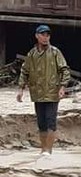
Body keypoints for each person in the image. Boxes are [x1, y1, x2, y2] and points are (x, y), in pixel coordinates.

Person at [16, 24, 70, 162]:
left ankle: (49, 150)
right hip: (37, 93)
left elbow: (64, 69)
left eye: (48, 35)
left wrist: (62, 86)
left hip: (52, 92)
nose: (45, 37)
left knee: (51, 121)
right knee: (41, 122)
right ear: (37, 36)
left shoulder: (55, 52)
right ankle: (43, 148)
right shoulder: (32, 54)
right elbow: (25, 71)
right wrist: (21, 89)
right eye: (43, 35)